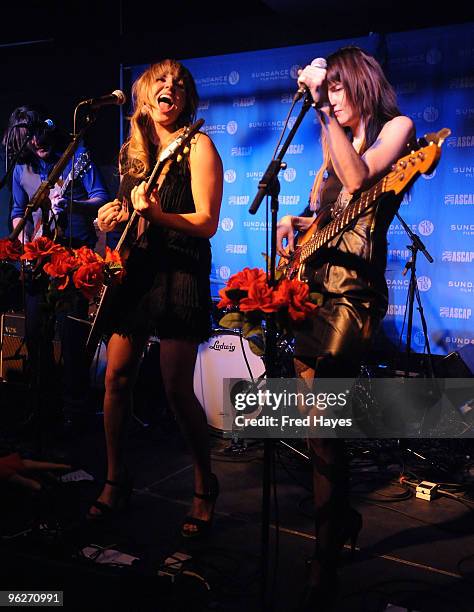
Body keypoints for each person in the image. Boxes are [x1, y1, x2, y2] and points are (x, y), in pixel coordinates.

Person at [276, 46, 415, 610]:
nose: (330, 96)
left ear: (359, 83)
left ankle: (324, 554)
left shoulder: (396, 128)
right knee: (316, 428)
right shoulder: (329, 143)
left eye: (337, 87)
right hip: (314, 289)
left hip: (354, 295)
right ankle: (339, 522)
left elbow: (359, 180)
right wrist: (298, 220)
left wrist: (322, 112)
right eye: (324, 88)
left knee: (324, 418)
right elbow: (332, 216)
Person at [88, 59, 223, 538]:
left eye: (181, 84)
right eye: (163, 81)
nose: (173, 88)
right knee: (116, 379)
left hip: (180, 272)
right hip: (136, 273)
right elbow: (132, 213)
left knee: (173, 387)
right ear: (145, 93)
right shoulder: (133, 152)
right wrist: (115, 213)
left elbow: (206, 221)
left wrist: (160, 215)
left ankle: (205, 484)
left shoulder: (199, 146)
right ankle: (115, 477)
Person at [5, 105, 109, 429]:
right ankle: (44, 406)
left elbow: (102, 197)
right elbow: (17, 209)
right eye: (28, 142)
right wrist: (24, 238)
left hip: (73, 258)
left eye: (38, 137)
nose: (36, 145)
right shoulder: (22, 166)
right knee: (35, 334)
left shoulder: (74, 154)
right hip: (38, 258)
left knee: (72, 335)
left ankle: (75, 410)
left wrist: (71, 204)